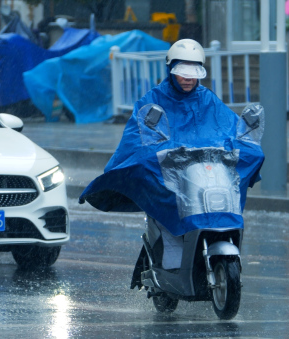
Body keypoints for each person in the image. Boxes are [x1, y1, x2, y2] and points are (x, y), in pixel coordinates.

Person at [80, 39, 263, 271]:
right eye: (182, 72)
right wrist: (157, 153)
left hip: (205, 176)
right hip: (172, 182)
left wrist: (245, 145)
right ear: (170, 69)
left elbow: (230, 127)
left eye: (194, 72)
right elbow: (137, 138)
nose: (188, 78)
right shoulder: (152, 101)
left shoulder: (208, 100)